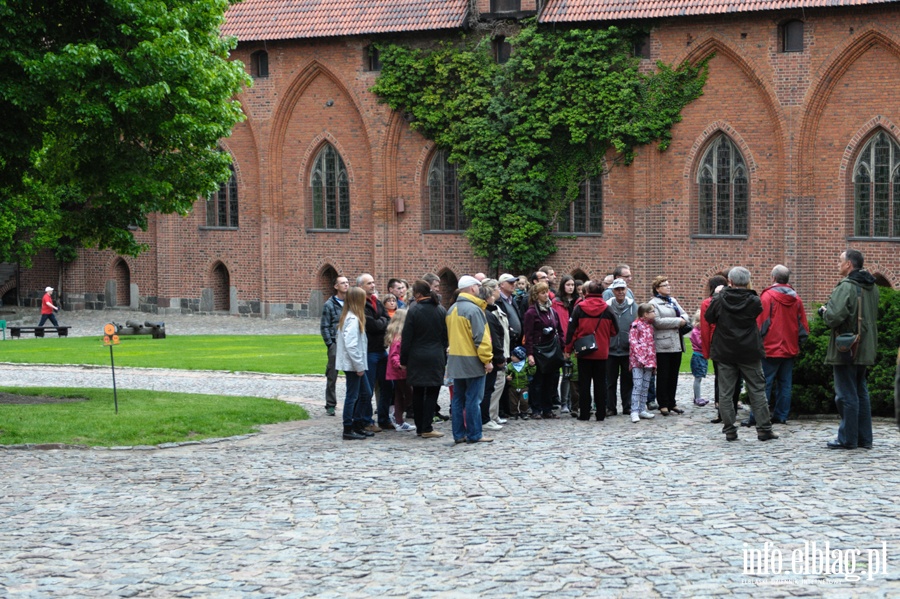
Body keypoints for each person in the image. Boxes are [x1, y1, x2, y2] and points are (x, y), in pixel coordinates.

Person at [705, 267, 778, 442]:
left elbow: (709, 317)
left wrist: (717, 295)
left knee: (726, 392)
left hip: (725, 350)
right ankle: (764, 429)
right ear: (747, 281)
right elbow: (756, 313)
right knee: (757, 389)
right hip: (748, 350)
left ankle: (729, 429)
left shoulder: (720, 299)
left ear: (730, 281)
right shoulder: (753, 300)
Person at [820, 249, 878, 450]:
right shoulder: (872, 286)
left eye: (840, 261)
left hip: (848, 347)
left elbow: (834, 317)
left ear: (849, 265)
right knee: (861, 392)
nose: (838, 264)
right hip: (866, 346)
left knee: (846, 394)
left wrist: (825, 312)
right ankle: (864, 438)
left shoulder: (846, 286)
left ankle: (847, 438)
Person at [743, 265, 809, 426]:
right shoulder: (797, 299)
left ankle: (758, 417)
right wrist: (799, 344)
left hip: (770, 348)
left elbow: (761, 324)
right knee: (785, 385)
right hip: (789, 348)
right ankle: (781, 416)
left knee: (763, 385)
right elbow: (803, 326)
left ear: (773, 278)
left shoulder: (767, 297)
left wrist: (755, 343)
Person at [446, 275, 494, 443]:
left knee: (458, 399)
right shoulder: (474, 310)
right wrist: (487, 360)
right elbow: (481, 338)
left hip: (455, 360)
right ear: (473, 288)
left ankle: (459, 434)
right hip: (472, 360)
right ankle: (475, 434)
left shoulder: (452, 309)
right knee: (474, 399)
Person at [564, 280, 618, 422]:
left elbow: (571, 331)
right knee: (601, 384)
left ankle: (584, 414)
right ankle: (600, 413)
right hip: (601, 352)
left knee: (584, 384)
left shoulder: (579, 308)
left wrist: (568, 348)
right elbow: (615, 330)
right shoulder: (607, 309)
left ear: (587, 292)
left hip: (584, 351)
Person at [400, 280, 448, 439]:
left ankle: (421, 427)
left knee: (418, 392)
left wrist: (404, 360)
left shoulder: (414, 310)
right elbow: (445, 337)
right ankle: (427, 426)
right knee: (432, 392)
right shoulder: (441, 310)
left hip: (417, 355)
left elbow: (406, 338)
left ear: (418, 294)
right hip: (435, 355)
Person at [523, 280, 565, 419]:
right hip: (538, 351)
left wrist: (563, 347)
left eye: (547, 292)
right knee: (537, 382)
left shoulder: (552, 311)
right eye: (542, 293)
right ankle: (536, 409)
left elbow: (559, 331)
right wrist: (529, 354)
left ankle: (548, 408)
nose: (546, 295)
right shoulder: (531, 313)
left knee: (550, 381)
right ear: (536, 295)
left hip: (552, 350)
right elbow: (528, 335)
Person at [335, 287, 373, 440]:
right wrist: (358, 366)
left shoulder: (354, 318)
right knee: (353, 396)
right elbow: (351, 345)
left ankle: (357, 424)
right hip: (353, 365)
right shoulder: (352, 319)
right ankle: (348, 428)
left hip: (357, 364)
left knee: (365, 393)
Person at [649, 276, 690, 416]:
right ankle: (663, 403)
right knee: (664, 375)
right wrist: (678, 321)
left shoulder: (673, 301)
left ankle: (672, 402)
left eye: (668, 284)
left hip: (677, 343)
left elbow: (686, 315)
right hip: (663, 344)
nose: (668, 287)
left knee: (674, 374)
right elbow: (657, 322)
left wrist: (683, 319)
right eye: (664, 285)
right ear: (657, 288)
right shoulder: (653, 304)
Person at [358, 273, 392, 432]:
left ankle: (384, 419)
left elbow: (387, 319)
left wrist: (382, 323)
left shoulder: (376, 302)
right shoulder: (360, 304)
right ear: (361, 287)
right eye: (369, 283)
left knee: (387, 386)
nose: (373, 285)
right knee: (368, 388)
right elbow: (372, 325)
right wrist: (383, 323)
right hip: (369, 351)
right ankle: (367, 420)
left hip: (381, 350)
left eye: (373, 282)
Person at [605, 278, 636, 416]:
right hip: (610, 350)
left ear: (626, 289)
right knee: (610, 381)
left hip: (627, 349)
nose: (621, 292)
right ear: (613, 291)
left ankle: (627, 406)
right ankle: (610, 407)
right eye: (617, 289)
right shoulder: (606, 307)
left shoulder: (634, 307)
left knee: (627, 381)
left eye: (623, 289)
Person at [319, 275, 349, 416]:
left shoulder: (351, 302)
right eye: (342, 283)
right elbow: (324, 326)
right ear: (336, 286)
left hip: (350, 343)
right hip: (336, 343)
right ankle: (330, 404)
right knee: (332, 375)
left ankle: (352, 402)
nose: (346, 285)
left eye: (347, 282)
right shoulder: (329, 304)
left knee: (354, 374)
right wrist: (330, 344)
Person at [482, 279, 510, 428]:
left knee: (497, 385)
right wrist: (499, 357)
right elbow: (494, 337)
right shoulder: (488, 313)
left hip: (499, 353)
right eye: (496, 289)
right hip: (493, 356)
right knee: (490, 388)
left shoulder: (493, 309)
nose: (498, 291)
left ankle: (493, 414)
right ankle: (488, 417)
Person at [385, 309, 415, 431]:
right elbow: (394, 355)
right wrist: (400, 365)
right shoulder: (399, 337)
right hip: (400, 371)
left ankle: (398, 419)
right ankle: (397, 417)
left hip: (398, 371)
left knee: (399, 394)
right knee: (408, 394)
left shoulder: (397, 336)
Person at [629, 303, 658, 423]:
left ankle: (642, 409)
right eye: (652, 311)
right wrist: (641, 357)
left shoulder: (649, 327)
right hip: (638, 361)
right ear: (645, 314)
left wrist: (653, 361)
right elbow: (633, 342)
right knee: (637, 385)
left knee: (646, 386)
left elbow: (651, 344)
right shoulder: (636, 325)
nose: (654, 313)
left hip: (649, 361)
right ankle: (634, 410)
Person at [553, 275, 577, 413]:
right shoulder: (557, 302)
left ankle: (574, 401)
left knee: (574, 374)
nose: (570, 287)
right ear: (563, 286)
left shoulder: (577, 302)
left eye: (572, 285)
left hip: (575, 340)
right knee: (566, 373)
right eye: (568, 285)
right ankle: (564, 402)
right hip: (562, 340)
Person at [506, 346, 535, 419]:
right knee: (513, 401)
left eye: (513, 356)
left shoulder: (525, 365)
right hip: (513, 386)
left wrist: (532, 366)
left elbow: (532, 372)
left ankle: (524, 412)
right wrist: (507, 377)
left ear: (519, 357)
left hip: (524, 387)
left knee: (524, 401)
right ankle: (514, 413)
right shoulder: (510, 366)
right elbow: (506, 372)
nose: (511, 357)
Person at [688, 311, 710, 407]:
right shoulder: (696, 332)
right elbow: (701, 343)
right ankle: (697, 398)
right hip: (698, 357)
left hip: (702, 357)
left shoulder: (700, 331)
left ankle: (697, 396)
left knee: (699, 378)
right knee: (698, 378)